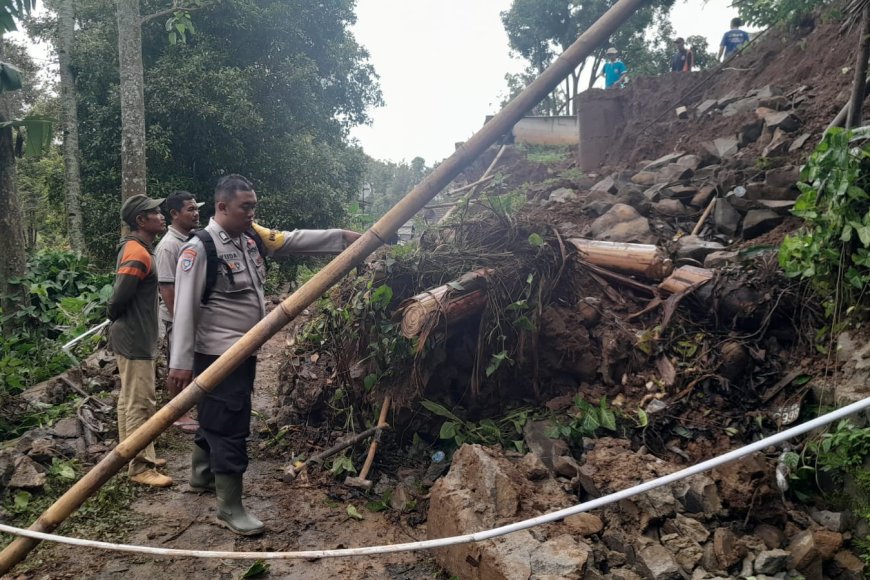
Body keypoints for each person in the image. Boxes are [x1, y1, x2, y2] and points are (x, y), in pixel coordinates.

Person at [167, 174, 362, 535]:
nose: (252, 213)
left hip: (245, 350)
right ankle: (229, 507)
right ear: (222, 207)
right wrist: (179, 363)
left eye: (254, 206)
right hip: (218, 355)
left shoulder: (251, 235)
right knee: (230, 423)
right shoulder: (200, 248)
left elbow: (291, 240)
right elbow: (184, 310)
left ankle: (201, 474)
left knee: (217, 411)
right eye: (246, 207)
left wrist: (341, 239)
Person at [107, 194, 172, 487]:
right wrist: (116, 316)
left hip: (136, 335)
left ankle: (133, 451)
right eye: (155, 213)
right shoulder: (137, 252)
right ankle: (139, 467)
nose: (161, 216)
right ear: (140, 221)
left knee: (129, 399)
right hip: (134, 337)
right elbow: (119, 297)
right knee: (140, 402)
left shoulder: (142, 248)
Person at [154, 190, 204, 434]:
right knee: (178, 364)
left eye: (197, 209)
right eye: (190, 210)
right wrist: (180, 321)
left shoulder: (193, 239)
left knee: (194, 364)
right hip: (176, 317)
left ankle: (192, 408)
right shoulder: (168, 247)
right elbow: (166, 288)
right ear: (174, 214)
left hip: (194, 315)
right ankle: (179, 414)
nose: (196, 214)